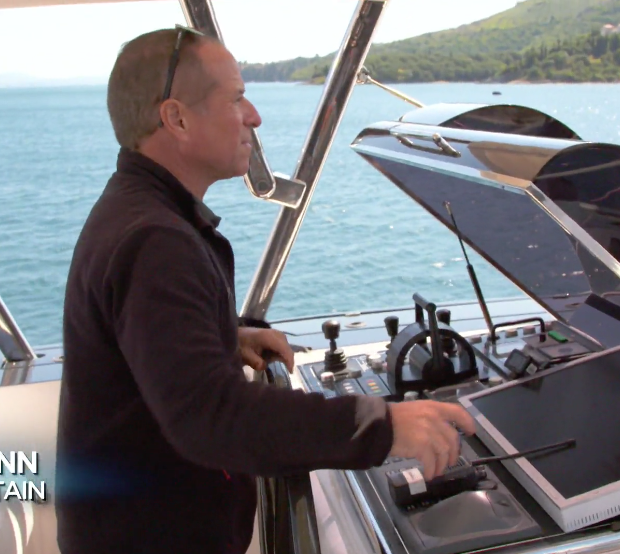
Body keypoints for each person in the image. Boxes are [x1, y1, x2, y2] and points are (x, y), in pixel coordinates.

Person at [55, 27, 475, 554]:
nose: (254, 115)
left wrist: (220, 339)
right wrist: (385, 426)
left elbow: (145, 349)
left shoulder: (138, 212)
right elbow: (211, 417)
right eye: (235, 98)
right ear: (176, 118)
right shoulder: (155, 241)